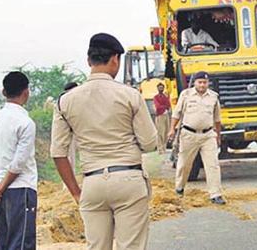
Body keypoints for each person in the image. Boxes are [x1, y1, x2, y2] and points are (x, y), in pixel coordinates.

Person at [50, 33, 158, 250]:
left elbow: (58, 153)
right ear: (115, 59)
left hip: (93, 182)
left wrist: (75, 191)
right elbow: (149, 143)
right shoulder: (129, 95)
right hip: (128, 179)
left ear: (89, 61)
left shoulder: (65, 101)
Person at [0, 72, 37, 250]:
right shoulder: (25, 123)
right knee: (21, 243)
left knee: (3, 242)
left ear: (3, 92)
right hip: (20, 189)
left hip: (0, 191)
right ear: (26, 93)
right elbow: (18, 163)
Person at [167, 71, 225, 205]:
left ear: (208, 83)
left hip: (208, 135)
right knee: (184, 164)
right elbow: (177, 114)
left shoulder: (213, 97)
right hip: (189, 134)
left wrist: (218, 136)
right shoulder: (186, 95)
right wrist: (171, 129)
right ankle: (179, 188)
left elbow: (217, 119)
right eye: (200, 82)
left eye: (205, 82)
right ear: (195, 83)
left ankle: (215, 194)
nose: (202, 85)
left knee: (213, 165)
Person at [153, 83, 171, 155]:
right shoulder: (156, 97)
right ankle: (160, 149)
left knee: (166, 132)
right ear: (157, 89)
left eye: (162, 88)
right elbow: (157, 107)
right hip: (160, 116)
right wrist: (164, 107)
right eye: (159, 88)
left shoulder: (165, 97)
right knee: (160, 132)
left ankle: (164, 148)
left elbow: (168, 105)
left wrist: (164, 107)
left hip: (166, 115)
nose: (161, 89)